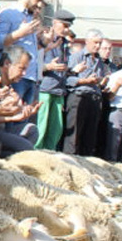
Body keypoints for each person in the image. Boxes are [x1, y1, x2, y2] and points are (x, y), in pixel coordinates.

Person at [0, 0, 47, 106]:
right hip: (16, 77)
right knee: (13, 119)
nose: (39, 4)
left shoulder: (30, 16)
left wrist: (42, 41)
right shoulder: (8, 14)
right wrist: (20, 33)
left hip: (32, 77)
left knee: (27, 119)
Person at [63, 29, 108, 156]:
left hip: (94, 98)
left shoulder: (99, 60)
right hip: (78, 97)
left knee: (89, 136)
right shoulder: (77, 57)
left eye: (99, 43)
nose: (97, 46)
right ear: (87, 41)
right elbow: (67, 79)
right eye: (95, 42)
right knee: (74, 135)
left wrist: (100, 82)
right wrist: (85, 81)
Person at [34, 9, 74, 150]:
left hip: (58, 91)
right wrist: (48, 66)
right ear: (55, 23)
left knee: (55, 130)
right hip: (44, 89)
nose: (67, 30)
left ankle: (49, 156)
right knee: (41, 128)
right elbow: (34, 63)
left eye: (69, 26)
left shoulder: (64, 44)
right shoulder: (45, 39)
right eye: (65, 26)